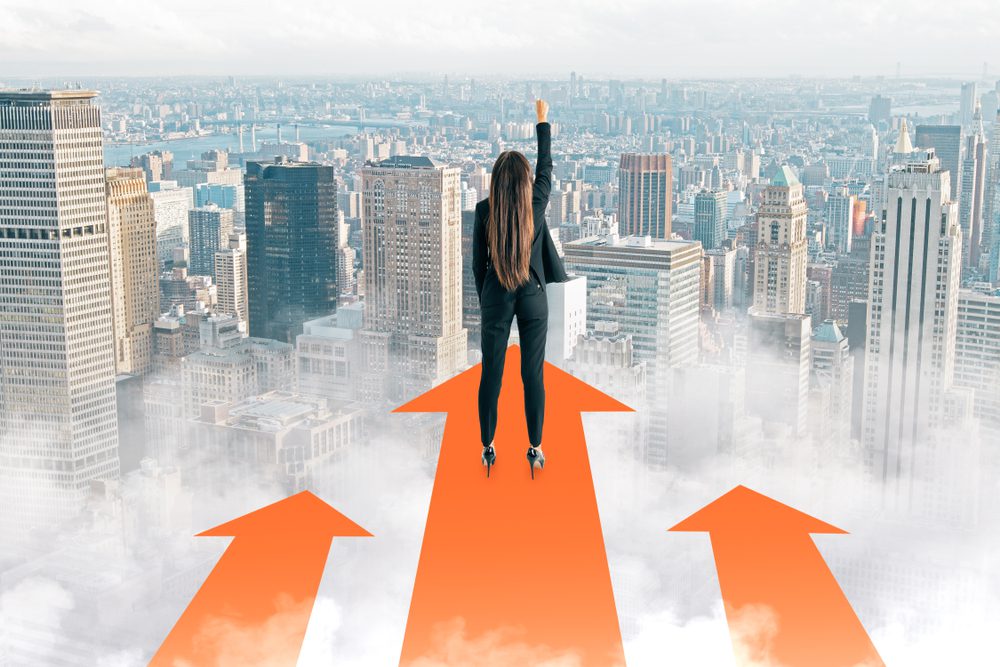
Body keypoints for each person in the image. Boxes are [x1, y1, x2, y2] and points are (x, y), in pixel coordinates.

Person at [472, 99, 568, 479]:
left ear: (496, 181)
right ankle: (535, 446)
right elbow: (547, 167)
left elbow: (477, 264)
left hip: (497, 292)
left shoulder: (483, 210)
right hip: (532, 295)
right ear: (525, 181)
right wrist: (542, 120)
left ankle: (488, 446)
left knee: (491, 373)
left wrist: (488, 299)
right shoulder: (536, 203)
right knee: (533, 374)